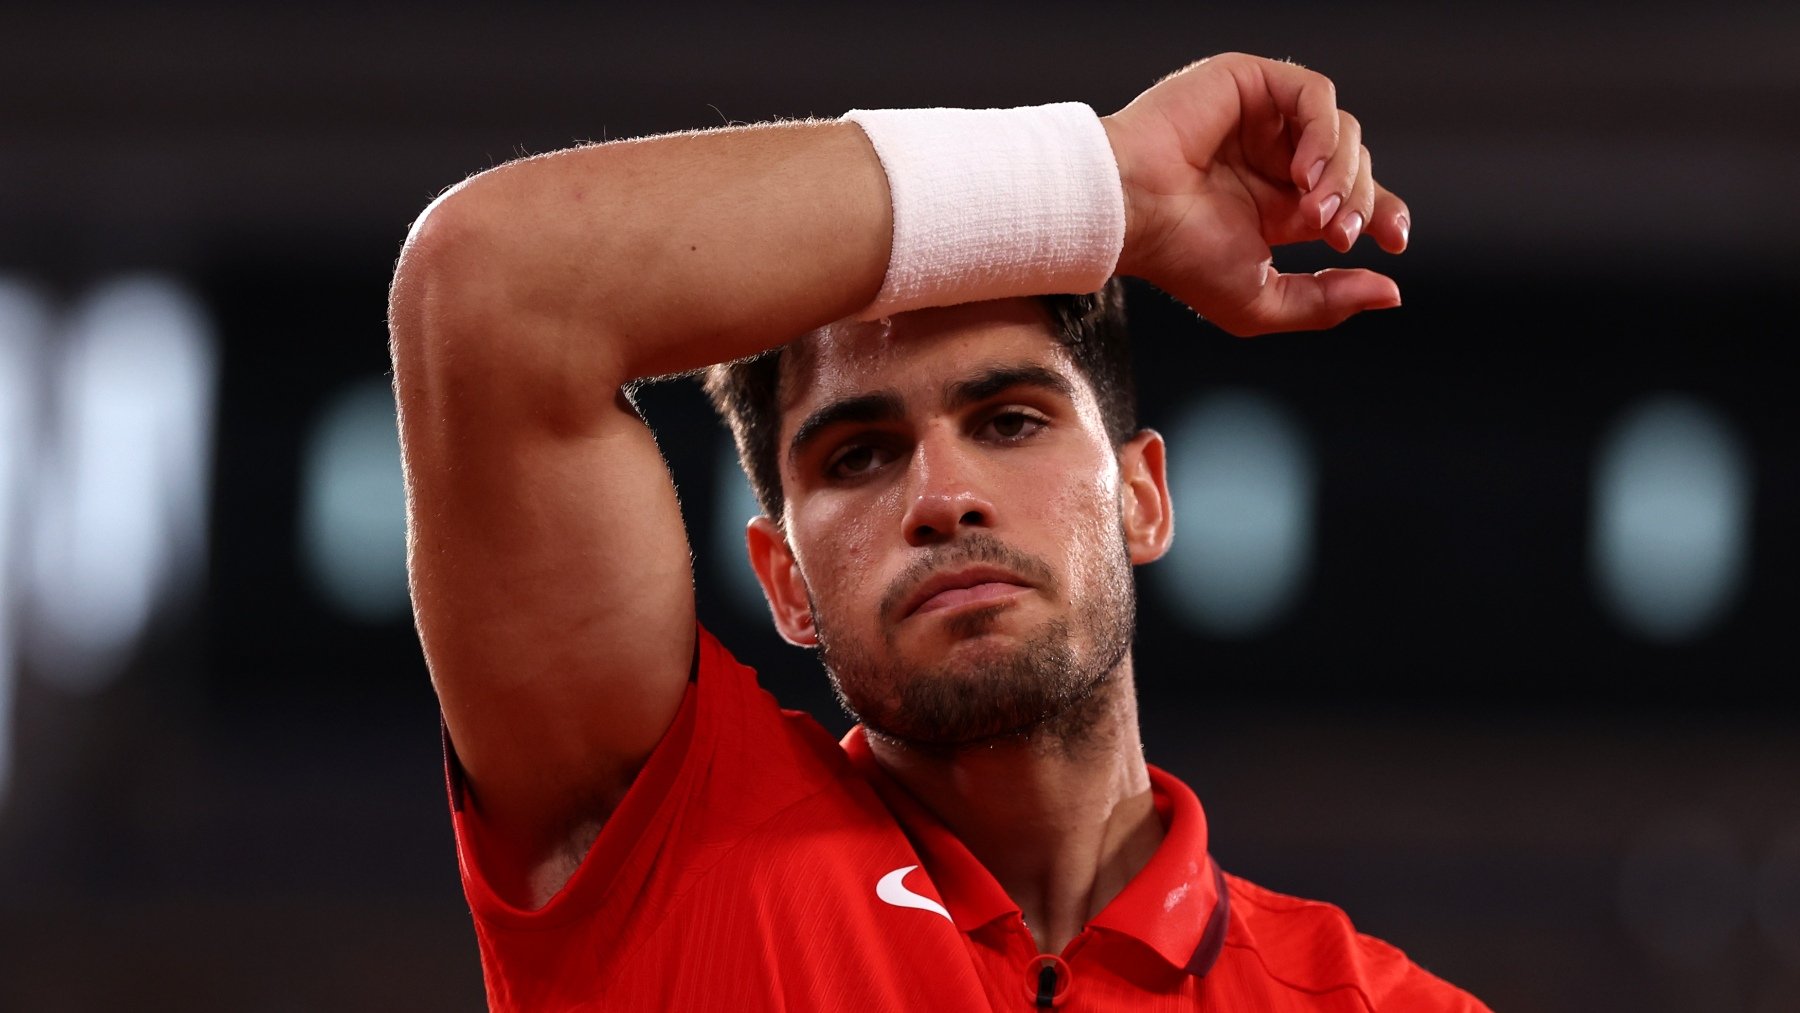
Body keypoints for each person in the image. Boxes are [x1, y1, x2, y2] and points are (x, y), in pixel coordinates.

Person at [388, 51, 1489, 1011]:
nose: (943, 493)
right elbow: (488, 285)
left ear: (1142, 496)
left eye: (1010, 420)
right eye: (858, 454)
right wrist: (1102, 185)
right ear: (785, 581)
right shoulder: (661, 850)